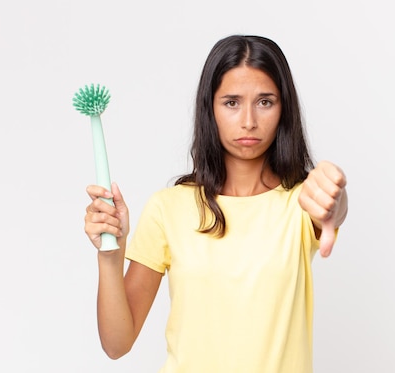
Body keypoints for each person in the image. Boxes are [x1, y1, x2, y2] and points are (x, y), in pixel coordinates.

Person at [84, 34, 348, 373]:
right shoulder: (169, 208)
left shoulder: (301, 202)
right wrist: (110, 255)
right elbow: (117, 344)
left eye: (265, 102)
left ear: (284, 109)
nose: (249, 120)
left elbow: (331, 208)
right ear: (210, 107)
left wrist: (334, 194)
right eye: (232, 102)